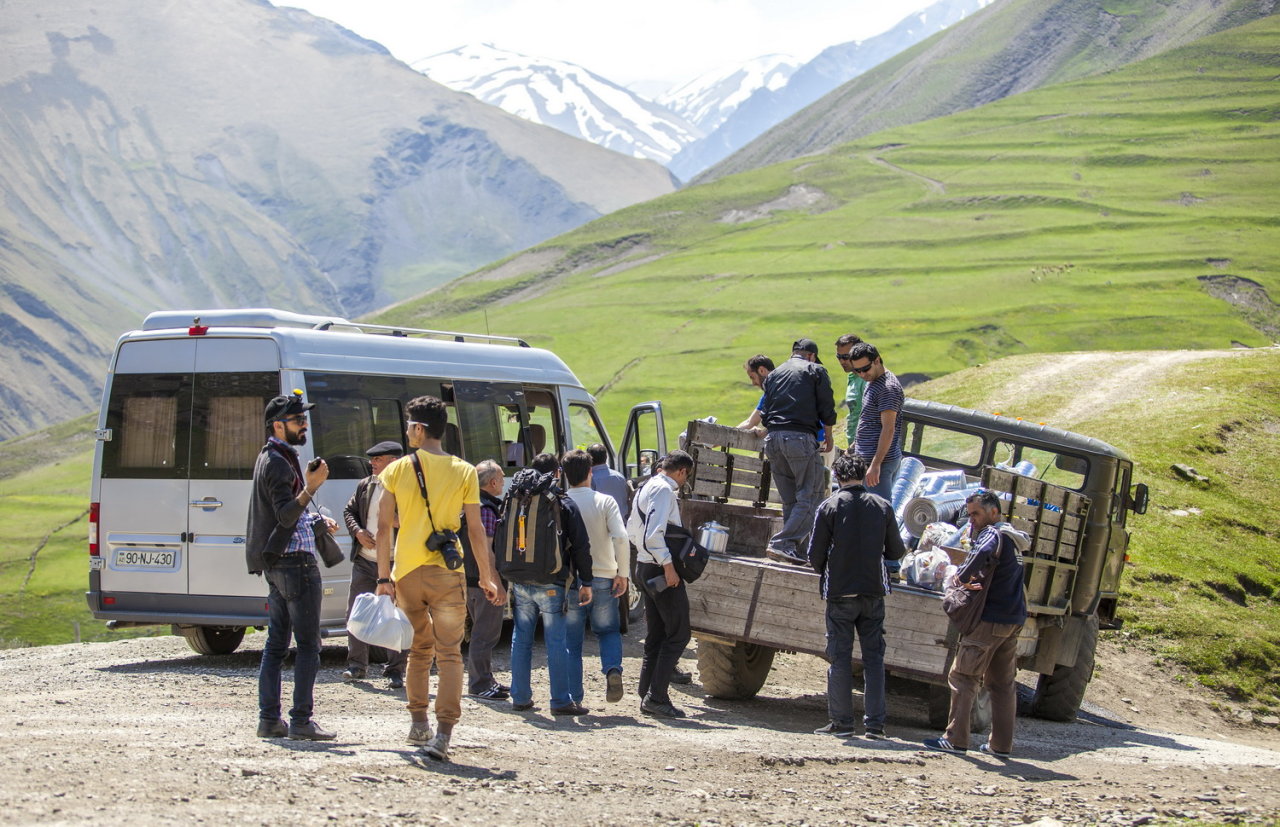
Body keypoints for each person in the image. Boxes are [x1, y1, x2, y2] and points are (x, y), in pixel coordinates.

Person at [375, 396, 505, 762]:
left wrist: (384, 576)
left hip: (407, 573)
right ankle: (444, 734)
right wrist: (488, 577)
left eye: (408, 426)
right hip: (448, 573)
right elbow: (476, 530)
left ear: (418, 428)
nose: (406, 432)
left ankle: (418, 722)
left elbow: (384, 527)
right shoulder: (464, 471)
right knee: (449, 655)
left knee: (418, 651)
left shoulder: (396, 470)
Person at [246, 391, 337, 741]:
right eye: (299, 421)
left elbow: (283, 512)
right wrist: (311, 487)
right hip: (295, 563)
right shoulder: (278, 462)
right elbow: (285, 513)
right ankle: (301, 721)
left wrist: (314, 518)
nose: (305, 425)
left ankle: (269, 720)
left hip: (277, 563)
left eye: (304, 419)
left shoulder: (274, 456)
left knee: (276, 645)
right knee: (309, 646)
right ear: (278, 425)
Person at [807, 454, 906, 739]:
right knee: (874, 659)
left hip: (840, 592)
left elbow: (815, 554)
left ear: (837, 477)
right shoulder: (883, 506)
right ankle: (875, 725)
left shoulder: (829, 506)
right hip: (874, 591)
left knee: (839, 658)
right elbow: (896, 551)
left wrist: (830, 568)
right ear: (864, 475)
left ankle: (842, 723)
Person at [925, 491, 1028, 758]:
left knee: (963, 676)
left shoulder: (992, 535)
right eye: (969, 514)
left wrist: (961, 576)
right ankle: (1000, 746)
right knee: (1002, 685)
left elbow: (980, 553)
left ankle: (955, 739)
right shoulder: (1013, 539)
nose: (972, 520)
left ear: (994, 512)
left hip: (990, 619)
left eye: (976, 514)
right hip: (1013, 620)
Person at [507, 453, 594, 715]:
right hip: (552, 581)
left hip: (520, 578)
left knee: (521, 638)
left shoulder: (516, 499)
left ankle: (520, 697)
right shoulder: (562, 502)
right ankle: (560, 701)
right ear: (557, 472)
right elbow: (581, 546)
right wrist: (586, 581)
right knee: (556, 641)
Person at [628, 450, 696, 718]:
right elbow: (653, 534)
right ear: (681, 471)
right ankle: (656, 696)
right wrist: (668, 565)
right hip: (659, 568)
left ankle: (646, 691)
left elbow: (633, 529)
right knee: (679, 634)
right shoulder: (665, 490)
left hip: (644, 566)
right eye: (685, 477)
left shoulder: (646, 486)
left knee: (656, 634)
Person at [759, 338, 837, 565]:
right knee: (811, 496)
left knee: (791, 500)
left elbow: (765, 410)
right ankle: (782, 543)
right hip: (800, 439)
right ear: (811, 355)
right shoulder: (816, 370)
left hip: (773, 439)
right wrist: (829, 435)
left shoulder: (774, 375)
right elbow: (826, 406)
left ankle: (795, 551)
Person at [562, 449, 630, 706]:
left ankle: (574, 698)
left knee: (572, 642)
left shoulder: (561, 502)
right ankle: (612, 669)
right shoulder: (605, 501)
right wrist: (622, 573)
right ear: (590, 472)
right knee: (608, 631)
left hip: (571, 580)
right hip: (604, 575)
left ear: (566, 476)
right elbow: (621, 538)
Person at [341, 440, 407, 688]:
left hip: (397, 561)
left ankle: (395, 670)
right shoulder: (365, 485)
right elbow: (349, 511)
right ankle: (356, 666)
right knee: (356, 612)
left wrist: (402, 520)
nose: (372, 464)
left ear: (393, 462)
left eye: (378, 460)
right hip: (365, 560)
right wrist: (357, 531)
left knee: (397, 615)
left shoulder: (407, 487)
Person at [461, 459, 510, 701]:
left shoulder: (470, 505)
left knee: (482, 632)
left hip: (469, 578)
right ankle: (480, 684)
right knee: (485, 633)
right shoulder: (486, 509)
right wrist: (495, 582)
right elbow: (487, 548)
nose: (503, 482)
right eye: (501, 478)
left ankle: (486, 679)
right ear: (492, 483)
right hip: (483, 582)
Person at [846, 342, 905, 502]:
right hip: (869, 460)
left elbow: (888, 429)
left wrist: (875, 465)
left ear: (877, 360)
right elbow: (869, 419)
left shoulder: (887, 388)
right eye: (857, 370)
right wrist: (854, 446)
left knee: (879, 510)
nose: (862, 374)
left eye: (865, 369)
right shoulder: (873, 381)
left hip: (880, 463)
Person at [833, 334, 866, 450]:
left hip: (865, 446)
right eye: (839, 357)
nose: (842, 361)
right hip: (854, 445)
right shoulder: (852, 377)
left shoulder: (866, 380)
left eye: (846, 357)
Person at [587, 442, 629, 517]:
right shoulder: (619, 477)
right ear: (606, 457)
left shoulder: (590, 480)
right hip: (622, 523)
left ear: (589, 459)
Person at [736, 354, 774, 434]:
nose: (753, 383)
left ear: (761, 370)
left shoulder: (777, 390)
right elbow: (750, 422)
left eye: (752, 377)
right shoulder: (767, 395)